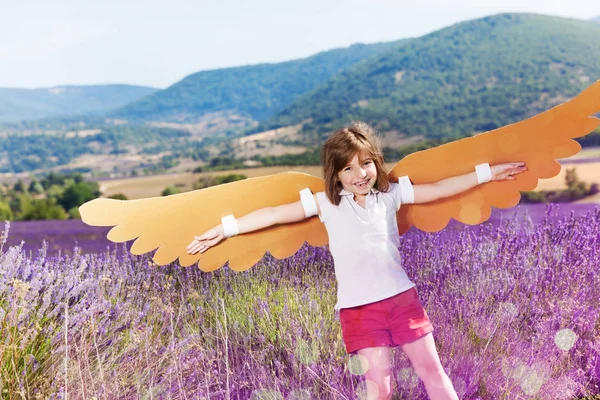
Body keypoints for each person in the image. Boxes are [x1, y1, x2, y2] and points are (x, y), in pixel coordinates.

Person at [186, 121, 527, 400]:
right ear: (335, 175)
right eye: (347, 168)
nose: (359, 174)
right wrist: (225, 229)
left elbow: (441, 189)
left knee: (433, 374)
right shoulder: (326, 204)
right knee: (380, 391)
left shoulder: (390, 194)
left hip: (402, 301)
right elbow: (274, 214)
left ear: (375, 162)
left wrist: (489, 173)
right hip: (359, 311)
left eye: (365, 164)